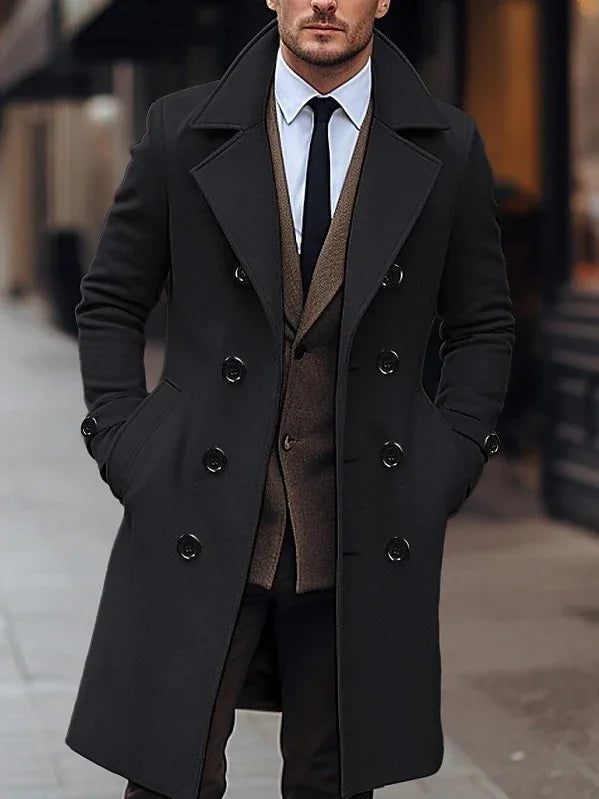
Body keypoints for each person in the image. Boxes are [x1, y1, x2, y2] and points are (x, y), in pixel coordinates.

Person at [65, 2, 516, 798]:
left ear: (382, 1)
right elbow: (110, 303)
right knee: (170, 773)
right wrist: (127, 445)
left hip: (358, 521)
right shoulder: (181, 129)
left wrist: (444, 462)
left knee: (331, 778)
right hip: (199, 517)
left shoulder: (446, 146)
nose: (323, 3)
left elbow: (481, 324)